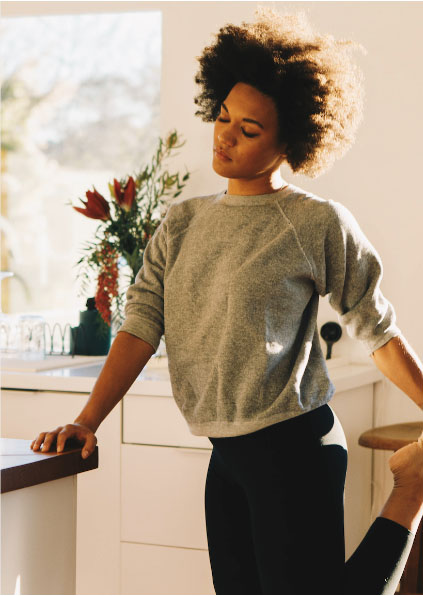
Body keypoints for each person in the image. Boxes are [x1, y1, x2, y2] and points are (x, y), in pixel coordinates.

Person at [31, 7, 423, 595]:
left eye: (249, 129)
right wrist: (88, 421)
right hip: (225, 454)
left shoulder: (314, 223)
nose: (225, 135)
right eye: (222, 116)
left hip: (294, 446)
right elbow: (140, 324)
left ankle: (410, 490)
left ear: (293, 137)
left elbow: (377, 330)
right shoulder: (183, 221)